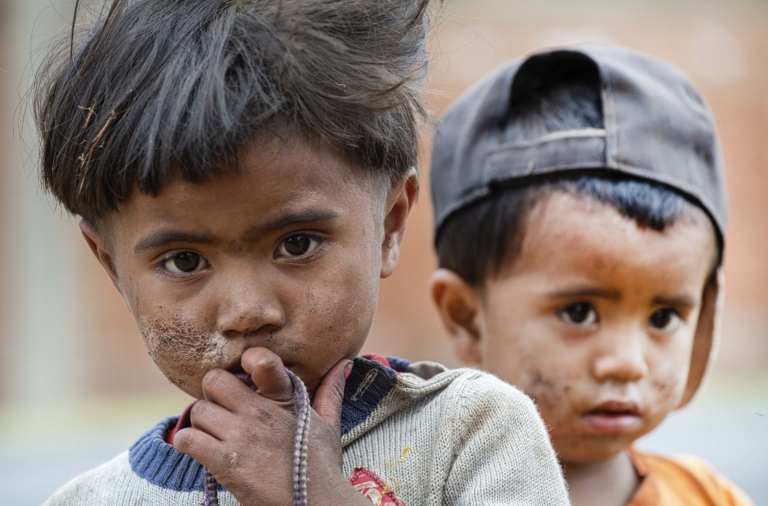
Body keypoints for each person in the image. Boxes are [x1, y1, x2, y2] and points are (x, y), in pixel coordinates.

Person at [34, 1, 570, 505]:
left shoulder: (472, 434)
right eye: (184, 261)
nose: (248, 311)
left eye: (297, 244)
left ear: (389, 224)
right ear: (112, 266)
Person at [429, 44, 754, 506]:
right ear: (467, 318)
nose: (626, 363)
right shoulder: (396, 492)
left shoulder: (710, 497)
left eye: (663, 317)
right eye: (579, 312)